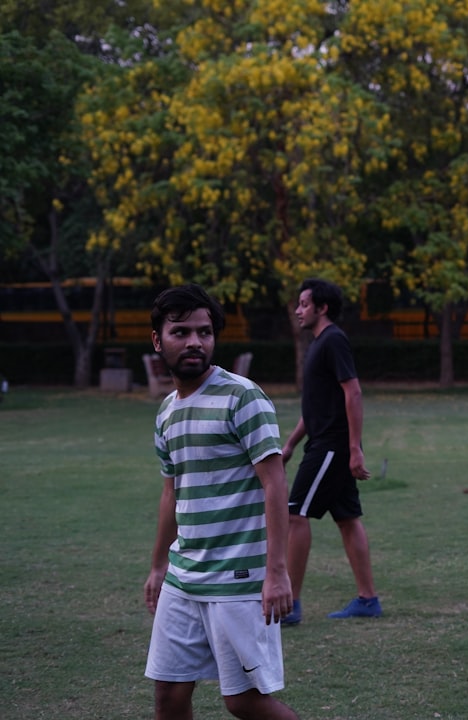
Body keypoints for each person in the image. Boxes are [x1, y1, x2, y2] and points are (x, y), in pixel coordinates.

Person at [144, 284, 299, 719]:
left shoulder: (242, 397)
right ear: (158, 339)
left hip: (240, 577)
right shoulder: (166, 411)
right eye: (180, 332)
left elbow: (274, 484)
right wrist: (159, 566)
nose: (194, 341)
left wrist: (277, 573)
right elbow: (172, 491)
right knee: (169, 696)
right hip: (184, 576)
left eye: (204, 332)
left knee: (244, 701)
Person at [281, 278, 381, 625]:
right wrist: (291, 443)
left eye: (304, 304)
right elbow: (317, 406)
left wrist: (354, 449)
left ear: (322, 308)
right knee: (347, 518)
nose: (298, 310)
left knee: (295, 514)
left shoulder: (333, 341)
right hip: (324, 442)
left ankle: (289, 604)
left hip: (332, 446)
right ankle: (368, 600)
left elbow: (352, 393)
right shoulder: (320, 345)